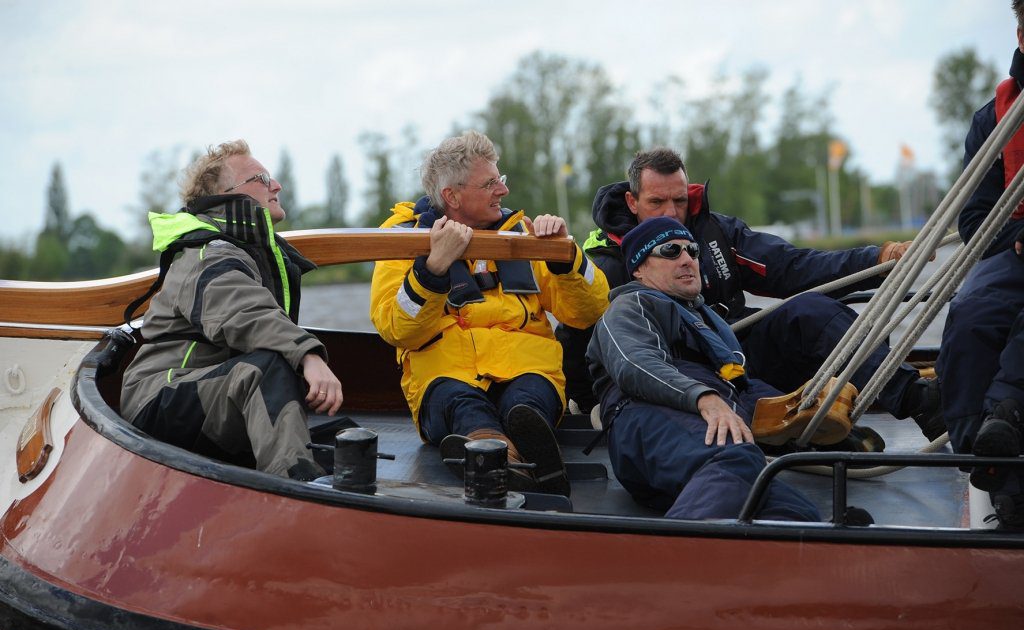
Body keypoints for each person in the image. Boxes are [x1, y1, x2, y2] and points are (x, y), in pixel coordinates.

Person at [559, 147, 945, 445]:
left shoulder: (716, 235)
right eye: (657, 203)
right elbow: (580, 333)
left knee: (812, 310)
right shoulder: (603, 264)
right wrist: (589, 405)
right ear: (632, 202)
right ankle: (799, 433)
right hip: (675, 385)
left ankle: (920, 402)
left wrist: (878, 258)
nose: (672, 213)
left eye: (679, 200)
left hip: (740, 360)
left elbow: (794, 267)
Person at [370, 130, 609, 496]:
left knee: (527, 400)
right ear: (452, 196)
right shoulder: (404, 239)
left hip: (527, 367)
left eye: (501, 180)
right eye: (490, 183)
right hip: (445, 374)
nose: (503, 190)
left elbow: (589, 312)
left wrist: (566, 256)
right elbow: (396, 329)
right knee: (460, 404)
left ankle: (495, 460)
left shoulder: (526, 236)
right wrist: (431, 269)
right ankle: (510, 461)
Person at [120, 140, 341, 481]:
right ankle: (296, 495)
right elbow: (244, 313)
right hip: (159, 396)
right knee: (266, 369)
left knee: (344, 442)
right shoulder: (209, 254)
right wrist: (309, 356)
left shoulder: (241, 250)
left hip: (210, 392)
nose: (276, 185)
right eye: (262, 178)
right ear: (227, 195)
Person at [586, 216, 821, 521]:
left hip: (696, 441)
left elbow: (743, 389)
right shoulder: (632, 306)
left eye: (693, 251)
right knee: (735, 455)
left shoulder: (709, 322)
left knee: (795, 510)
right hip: (644, 424)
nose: (687, 260)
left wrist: (810, 414)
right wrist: (706, 399)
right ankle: (672, 560)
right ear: (640, 269)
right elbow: (635, 364)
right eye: (671, 251)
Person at [936, 0, 1024, 528]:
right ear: (1020, 34)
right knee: (969, 319)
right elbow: (974, 218)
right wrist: (1016, 236)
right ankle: (987, 460)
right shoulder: (996, 119)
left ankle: (1007, 415)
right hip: (1015, 253)